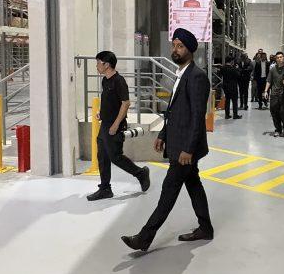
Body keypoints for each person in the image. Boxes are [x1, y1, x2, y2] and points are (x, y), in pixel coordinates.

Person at [122, 28, 214, 252]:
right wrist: (163, 134)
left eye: (180, 46)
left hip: (185, 149)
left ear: (190, 50)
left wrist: (188, 149)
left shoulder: (197, 77)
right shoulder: (181, 74)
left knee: (168, 191)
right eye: (174, 45)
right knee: (193, 184)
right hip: (178, 142)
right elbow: (174, 112)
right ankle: (206, 228)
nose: (175, 50)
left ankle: (144, 237)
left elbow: (197, 117)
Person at [87, 51, 151, 201]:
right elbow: (109, 101)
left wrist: (116, 124)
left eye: (98, 63)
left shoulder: (119, 81)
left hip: (114, 126)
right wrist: (101, 113)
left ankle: (141, 173)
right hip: (105, 124)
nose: (96, 66)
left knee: (115, 157)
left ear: (107, 64)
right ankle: (105, 189)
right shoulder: (105, 80)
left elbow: (125, 103)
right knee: (102, 156)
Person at [265, 51, 284, 137]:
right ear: (276, 59)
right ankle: (278, 129)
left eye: (281, 57)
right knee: (274, 113)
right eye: (277, 57)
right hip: (274, 94)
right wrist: (265, 91)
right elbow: (269, 81)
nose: (279, 59)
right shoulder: (272, 69)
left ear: (283, 58)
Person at [221, 55, 242, 119]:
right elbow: (238, 76)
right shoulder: (233, 69)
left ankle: (227, 115)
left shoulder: (223, 68)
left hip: (225, 86)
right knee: (234, 101)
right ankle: (235, 115)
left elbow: (221, 74)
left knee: (227, 100)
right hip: (233, 86)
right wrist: (237, 69)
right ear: (231, 61)